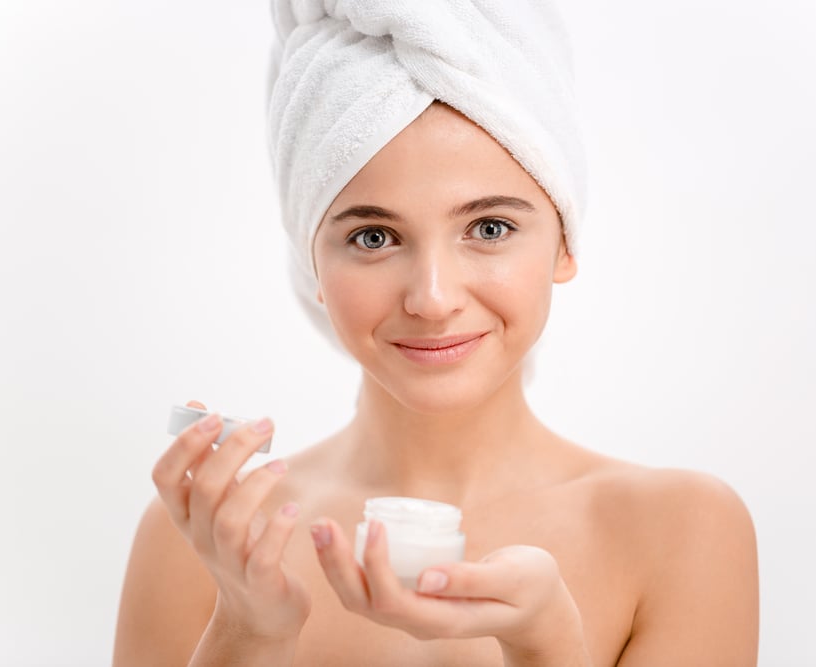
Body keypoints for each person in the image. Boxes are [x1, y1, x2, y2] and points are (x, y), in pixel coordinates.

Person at [114, 2, 758, 665]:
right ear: (313, 263)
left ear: (564, 241)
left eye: (489, 228)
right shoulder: (208, 537)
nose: (433, 298)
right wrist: (249, 633)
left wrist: (550, 647)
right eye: (374, 236)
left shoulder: (681, 529)